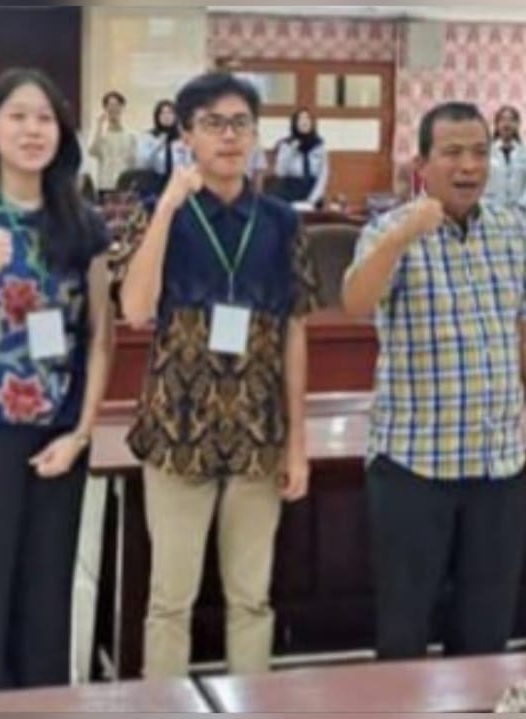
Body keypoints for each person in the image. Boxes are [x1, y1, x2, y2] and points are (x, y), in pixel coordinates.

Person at [341, 101, 526, 660]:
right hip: (414, 467)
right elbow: (355, 303)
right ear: (422, 164)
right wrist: (401, 237)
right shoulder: (388, 230)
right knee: (404, 630)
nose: (469, 166)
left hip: (497, 466)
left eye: (479, 153)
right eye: (453, 153)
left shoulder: (511, 230)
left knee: (486, 633)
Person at [118, 72, 321, 678]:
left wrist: (298, 443)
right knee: (169, 603)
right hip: (177, 433)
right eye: (212, 124)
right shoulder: (159, 212)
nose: (229, 137)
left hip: (259, 433)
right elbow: (135, 309)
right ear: (187, 136)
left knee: (251, 600)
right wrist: (167, 207)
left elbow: (295, 331)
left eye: (240, 124)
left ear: (256, 135)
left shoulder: (282, 221)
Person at [0, 68, 115, 692]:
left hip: (59, 435)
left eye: (45, 118)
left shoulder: (82, 220)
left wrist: (82, 432)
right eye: (18, 116)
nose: (33, 130)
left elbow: (100, 336)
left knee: (46, 603)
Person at [483, 105, 526, 223]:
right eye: (503, 120)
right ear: (496, 125)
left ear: (517, 125)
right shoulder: (486, 151)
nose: (506, 124)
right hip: (491, 209)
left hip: (518, 211)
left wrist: (523, 204)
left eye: (511, 120)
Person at [272, 107, 329, 210]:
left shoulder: (319, 145)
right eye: (301, 119)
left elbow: (323, 174)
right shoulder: (286, 144)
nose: (304, 122)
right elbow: (280, 172)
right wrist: (291, 150)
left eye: (307, 118)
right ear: (295, 123)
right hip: (291, 190)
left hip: (312, 191)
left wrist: (312, 200)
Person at [87, 91, 141, 194]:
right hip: (105, 184)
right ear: (105, 108)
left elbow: (134, 162)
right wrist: (98, 125)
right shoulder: (100, 134)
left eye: (116, 105)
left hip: (125, 185)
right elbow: (92, 151)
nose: (113, 109)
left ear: (122, 108)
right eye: (110, 105)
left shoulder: (131, 135)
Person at [138, 100, 190, 196]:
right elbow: (143, 163)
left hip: (178, 182)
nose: (166, 116)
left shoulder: (183, 137)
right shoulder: (149, 136)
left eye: (170, 113)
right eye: (162, 113)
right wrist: (157, 146)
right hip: (155, 182)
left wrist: (185, 151)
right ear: (157, 117)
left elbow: (190, 164)